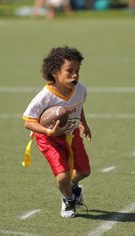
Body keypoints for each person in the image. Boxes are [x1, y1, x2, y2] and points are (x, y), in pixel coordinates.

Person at [22, 46, 91, 218]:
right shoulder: (44, 97)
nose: (74, 75)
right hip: (49, 139)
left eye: (77, 71)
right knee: (62, 177)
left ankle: (73, 186)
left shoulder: (80, 89)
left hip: (71, 134)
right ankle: (68, 199)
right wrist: (47, 130)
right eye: (69, 71)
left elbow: (78, 106)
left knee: (84, 171)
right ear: (54, 72)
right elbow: (27, 122)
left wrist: (83, 123)